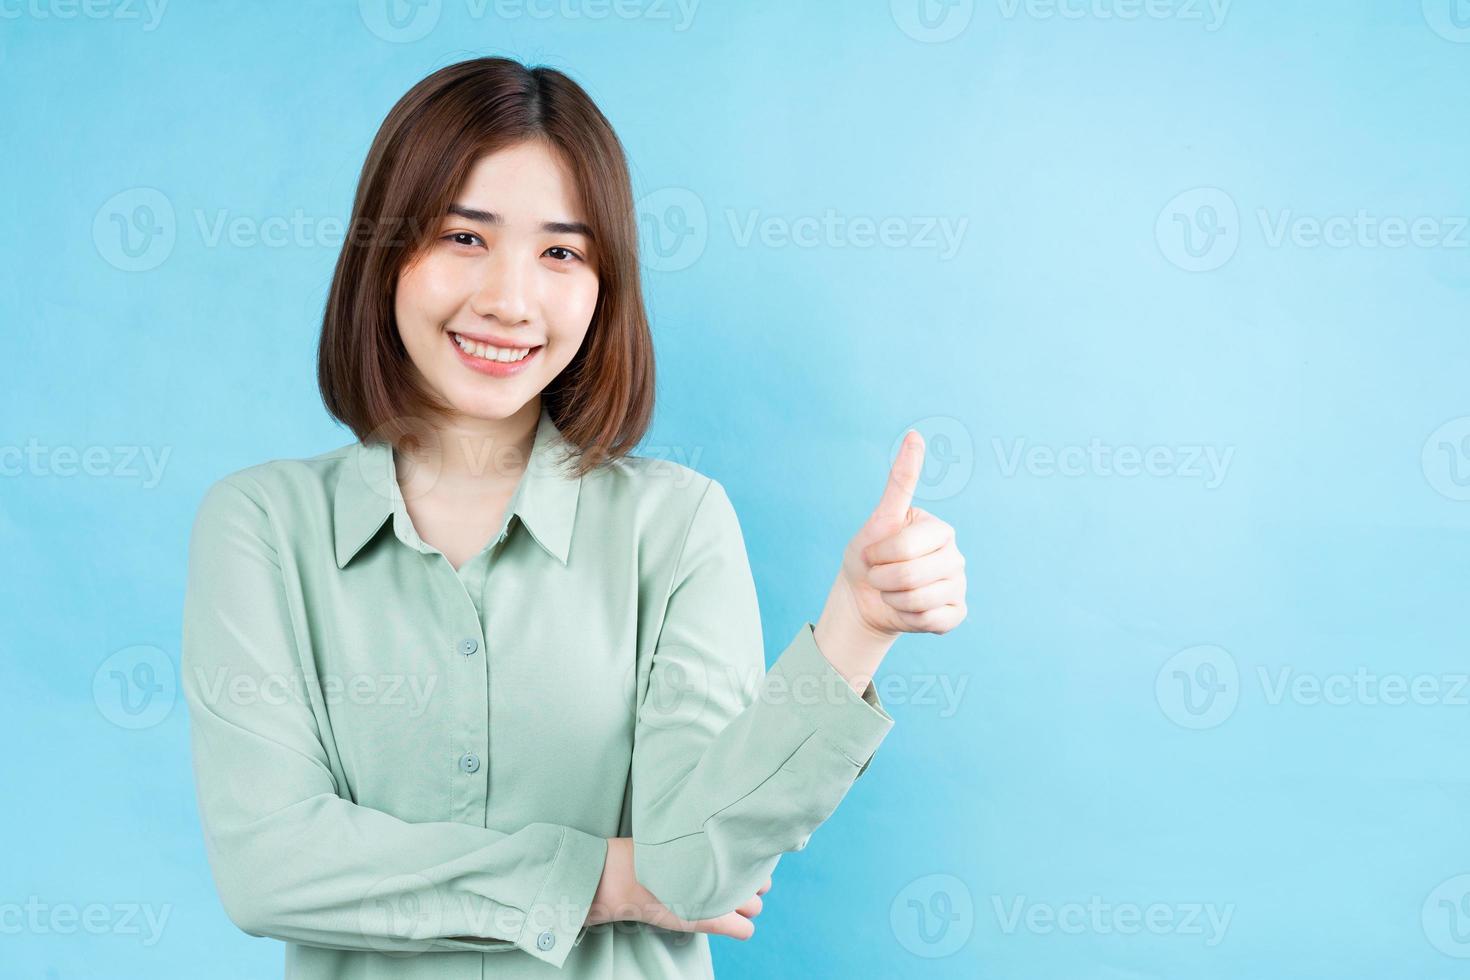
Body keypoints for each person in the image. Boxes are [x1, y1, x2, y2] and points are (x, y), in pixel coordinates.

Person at [181, 56, 967, 979]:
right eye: (462, 237)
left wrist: (855, 630)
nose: (509, 301)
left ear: (605, 286)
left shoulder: (675, 527)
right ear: (383, 253)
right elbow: (269, 868)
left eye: (562, 252)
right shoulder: (260, 527)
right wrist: (606, 878)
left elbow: (698, 867)